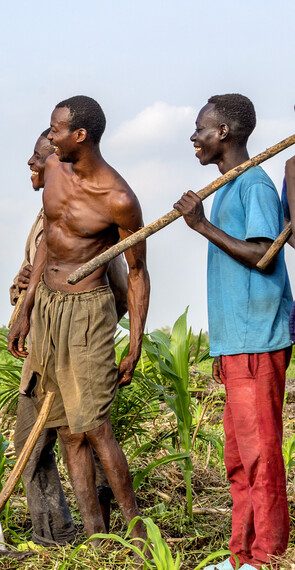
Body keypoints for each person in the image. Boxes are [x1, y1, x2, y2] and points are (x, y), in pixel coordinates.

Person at [8, 95, 150, 541]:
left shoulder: (118, 198)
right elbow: (50, 241)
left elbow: (138, 272)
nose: (49, 137)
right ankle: (93, 532)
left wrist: (136, 343)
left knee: (95, 427)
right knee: (67, 429)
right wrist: (25, 309)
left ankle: (136, 530)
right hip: (48, 305)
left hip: (88, 313)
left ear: (80, 135)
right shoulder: (52, 169)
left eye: (56, 130)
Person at [173, 94, 292, 569]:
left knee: (261, 456)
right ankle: (242, 556)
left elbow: (263, 256)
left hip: (257, 342)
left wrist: (199, 225)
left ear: (223, 132)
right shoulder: (227, 186)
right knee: (239, 460)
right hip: (233, 344)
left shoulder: (255, 186)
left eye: (200, 128)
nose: (194, 137)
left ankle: (268, 556)